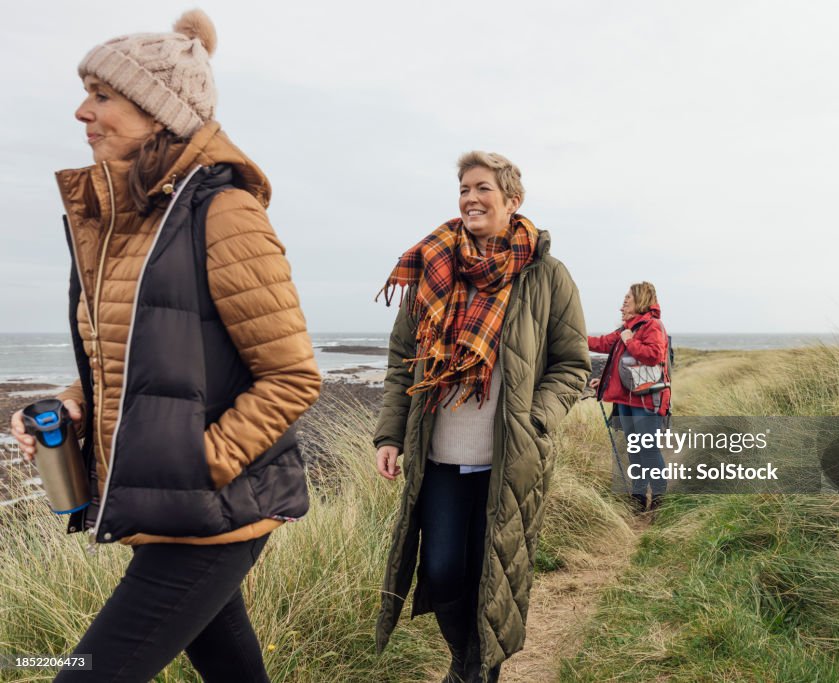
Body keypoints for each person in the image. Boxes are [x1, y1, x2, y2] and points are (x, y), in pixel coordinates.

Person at [8, 10, 320, 681]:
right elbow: (129, 359)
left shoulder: (225, 212)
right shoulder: (132, 220)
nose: (81, 112)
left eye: (102, 96)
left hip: (216, 508)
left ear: (158, 113)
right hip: (176, 509)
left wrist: (197, 460)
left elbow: (292, 375)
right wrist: (72, 404)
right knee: (233, 667)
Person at [373, 151, 590, 682]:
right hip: (441, 455)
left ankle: (476, 672)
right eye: (464, 188)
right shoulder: (432, 266)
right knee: (444, 572)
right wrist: (389, 434)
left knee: (490, 577)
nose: (470, 198)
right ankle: (463, 659)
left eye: (482, 188)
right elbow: (402, 365)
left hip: (508, 457)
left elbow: (572, 364)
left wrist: (535, 419)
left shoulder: (547, 276)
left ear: (513, 200)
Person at [588, 282, 671, 512]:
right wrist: (573, 337)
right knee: (634, 449)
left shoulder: (652, 326)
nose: (624, 301)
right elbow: (602, 344)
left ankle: (659, 499)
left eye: (628, 297)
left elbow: (653, 356)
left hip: (646, 401)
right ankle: (637, 497)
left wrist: (628, 340)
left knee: (648, 448)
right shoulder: (628, 327)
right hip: (625, 400)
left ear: (641, 299)